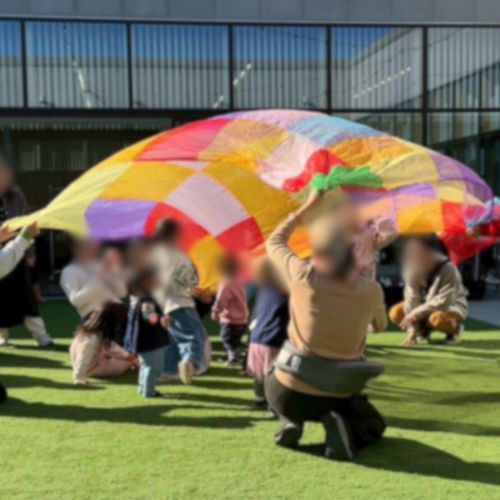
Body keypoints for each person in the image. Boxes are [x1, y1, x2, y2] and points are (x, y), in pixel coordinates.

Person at [264, 191, 388, 461]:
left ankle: (290, 420)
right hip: (337, 394)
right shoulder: (372, 290)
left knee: (278, 374)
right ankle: (337, 424)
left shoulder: (304, 275)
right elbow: (380, 327)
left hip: (286, 390)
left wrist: (307, 207)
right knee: (373, 424)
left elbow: (274, 241)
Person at [0, 159, 53, 347]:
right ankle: (2, 335)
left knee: (27, 296)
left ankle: (41, 335)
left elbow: (28, 220)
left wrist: (30, 252)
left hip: (18, 247)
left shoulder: (16, 193)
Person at [151, 218, 205, 385]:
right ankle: (189, 361)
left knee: (173, 339)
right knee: (193, 336)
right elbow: (186, 278)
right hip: (181, 302)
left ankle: (168, 370)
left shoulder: (154, 254)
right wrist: (192, 286)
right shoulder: (178, 254)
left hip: (164, 304)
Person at [389, 236, 468, 346]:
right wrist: (412, 329)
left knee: (437, 319)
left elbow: (444, 301)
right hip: (424, 305)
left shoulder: (449, 269)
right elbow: (411, 298)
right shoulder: (411, 269)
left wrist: (414, 315)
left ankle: (455, 329)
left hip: (450, 305)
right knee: (396, 313)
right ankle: (422, 331)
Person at [247, 257, 289, 409]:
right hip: (273, 337)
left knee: (259, 373)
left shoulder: (265, 290)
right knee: (273, 374)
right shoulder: (285, 293)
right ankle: (272, 401)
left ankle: (260, 398)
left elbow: (256, 314)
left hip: (257, 338)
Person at [125, 267, 170, 398]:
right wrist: (160, 320)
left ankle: (143, 388)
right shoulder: (147, 298)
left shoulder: (142, 297)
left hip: (144, 338)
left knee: (146, 365)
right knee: (153, 366)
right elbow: (148, 315)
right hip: (150, 339)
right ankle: (149, 391)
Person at [70, 302, 135, 386]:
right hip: (92, 368)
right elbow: (83, 357)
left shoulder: (92, 332)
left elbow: (111, 348)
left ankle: (130, 360)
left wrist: (128, 355)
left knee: (124, 356)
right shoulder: (92, 338)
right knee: (125, 364)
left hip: (93, 362)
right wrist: (78, 377)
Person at [60, 240, 127, 318]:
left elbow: (122, 293)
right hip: (97, 320)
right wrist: (98, 278)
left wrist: (115, 270)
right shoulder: (69, 271)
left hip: (119, 314)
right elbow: (77, 301)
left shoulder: (100, 265)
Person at [211, 255, 249, 366]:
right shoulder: (239, 281)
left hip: (230, 319)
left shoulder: (226, 283)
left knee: (227, 338)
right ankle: (234, 355)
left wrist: (215, 312)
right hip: (242, 319)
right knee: (235, 340)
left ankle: (234, 358)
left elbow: (221, 301)